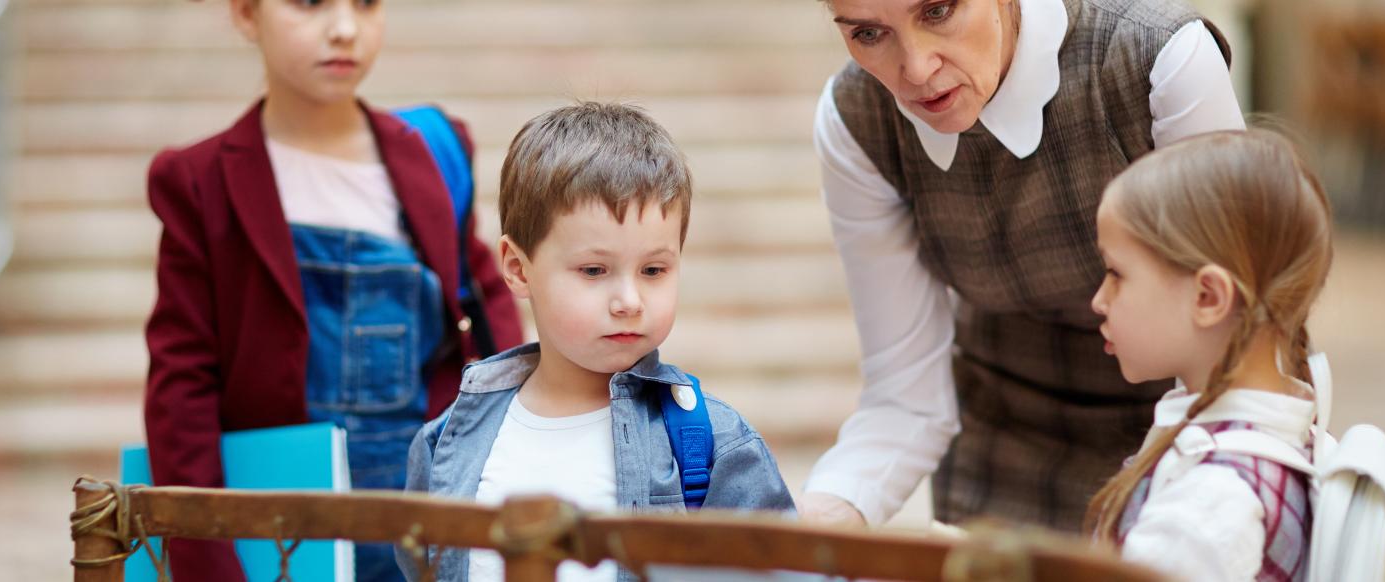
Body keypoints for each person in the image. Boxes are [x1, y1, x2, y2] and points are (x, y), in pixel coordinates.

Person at [802, 0, 1248, 530]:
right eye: (870, 33)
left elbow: (1233, 352)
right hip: (999, 435)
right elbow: (906, 398)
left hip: (1189, 422)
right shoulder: (858, 118)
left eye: (939, 10)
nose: (916, 70)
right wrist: (820, 521)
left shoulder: (1157, 58)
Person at [142, 1, 523, 580]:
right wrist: (205, 554)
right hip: (286, 530)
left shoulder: (433, 150)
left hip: (433, 516)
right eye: (310, 3)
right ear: (247, 14)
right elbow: (182, 385)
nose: (344, 29)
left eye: (366, 4)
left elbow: (484, 298)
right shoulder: (202, 181)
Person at [401, 102, 794, 582]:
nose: (629, 300)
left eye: (653, 270)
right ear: (518, 268)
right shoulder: (446, 444)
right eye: (594, 270)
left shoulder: (712, 444)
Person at [1085, 129, 1332, 581]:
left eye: (1116, 273)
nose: (1099, 300)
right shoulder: (1282, 432)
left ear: (1208, 297)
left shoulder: (1209, 508)